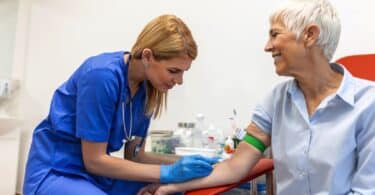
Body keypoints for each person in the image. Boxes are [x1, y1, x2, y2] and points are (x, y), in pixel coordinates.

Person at [138, 0, 375, 194]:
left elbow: (367, 190)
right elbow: (234, 167)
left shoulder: (368, 104)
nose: (267, 46)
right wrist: (170, 187)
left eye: (275, 34)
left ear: (310, 35)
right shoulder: (276, 101)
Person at [23, 14, 219, 195]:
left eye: (183, 72)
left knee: (174, 191)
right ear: (148, 56)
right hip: (58, 170)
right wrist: (167, 172)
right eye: (174, 71)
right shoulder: (101, 76)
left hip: (98, 175)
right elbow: (94, 160)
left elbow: (135, 156)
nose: (179, 80)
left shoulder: (147, 89)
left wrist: (186, 165)